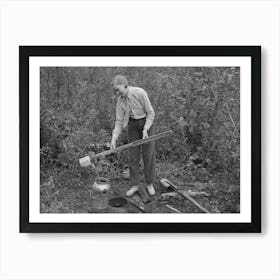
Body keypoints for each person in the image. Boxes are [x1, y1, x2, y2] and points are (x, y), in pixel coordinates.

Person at [110, 74, 156, 197]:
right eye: (115, 91)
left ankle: (149, 183)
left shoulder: (140, 93)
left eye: (118, 90)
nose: (117, 93)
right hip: (133, 125)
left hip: (146, 122)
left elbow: (151, 113)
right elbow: (119, 122)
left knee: (148, 155)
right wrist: (114, 139)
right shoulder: (120, 101)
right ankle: (135, 184)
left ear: (124, 85)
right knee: (133, 156)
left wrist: (146, 129)